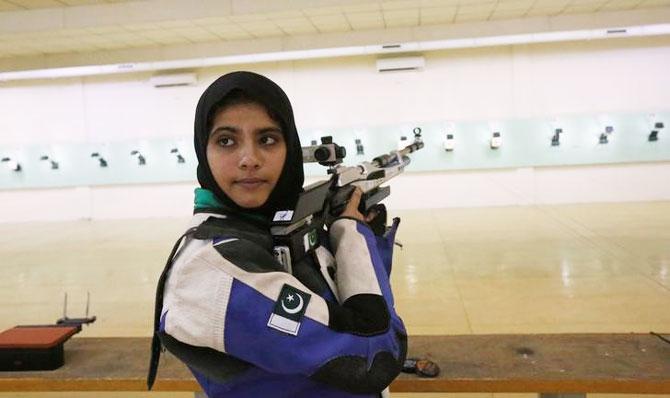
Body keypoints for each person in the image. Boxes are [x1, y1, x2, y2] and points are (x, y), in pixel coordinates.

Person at [147, 71, 407, 397]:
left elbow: (354, 305)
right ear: (203, 150)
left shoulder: (276, 227)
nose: (249, 160)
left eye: (267, 139)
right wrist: (351, 232)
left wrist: (366, 234)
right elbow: (374, 356)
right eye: (226, 140)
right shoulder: (212, 271)